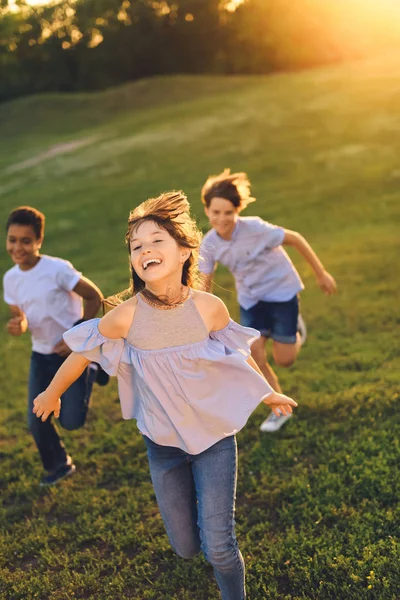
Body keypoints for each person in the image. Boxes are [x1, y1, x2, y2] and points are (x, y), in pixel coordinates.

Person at [32, 191, 297, 600]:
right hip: (164, 446)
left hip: (213, 439)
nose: (145, 250)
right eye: (137, 246)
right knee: (187, 548)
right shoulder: (127, 316)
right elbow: (83, 353)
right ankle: (199, 507)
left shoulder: (209, 309)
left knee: (220, 548)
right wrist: (51, 392)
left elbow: (236, 357)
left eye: (157, 240)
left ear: (185, 250)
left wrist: (268, 394)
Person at [199, 169, 336, 432]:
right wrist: (202, 319)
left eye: (228, 212)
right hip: (251, 300)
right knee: (254, 355)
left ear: (237, 211)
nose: (222, 219)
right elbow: (205, 285)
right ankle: (279, 410)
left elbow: (295, 239)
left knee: (284, 360)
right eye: (216, 213)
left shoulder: (256, 229)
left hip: (281, 293)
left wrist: (321, 274)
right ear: (207, 211)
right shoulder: (210, 244)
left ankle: (294, 330)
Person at [3, 206, 108, 486]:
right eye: (12, 240)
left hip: (72, 354)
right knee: (37, 417)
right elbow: (20, 315)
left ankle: (93, 367)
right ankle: (59, 466)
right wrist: (19, 325)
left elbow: (94, 296)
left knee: (71, 422)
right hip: (41, 354)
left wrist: (77, 334)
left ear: (39, 241)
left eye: (26, 240)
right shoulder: (10, 279)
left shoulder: (57, 270)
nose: (18, 247)